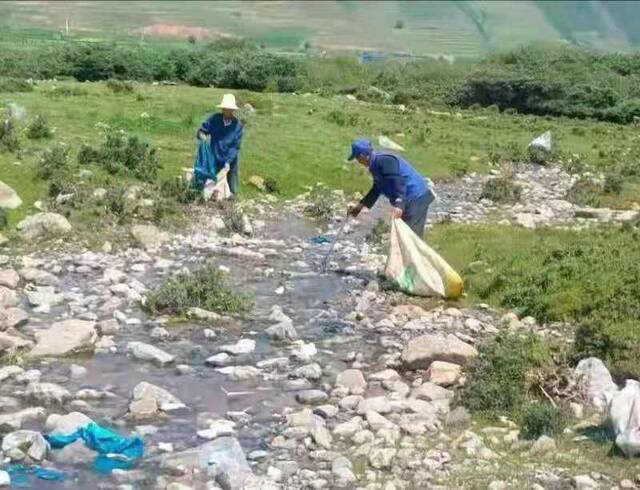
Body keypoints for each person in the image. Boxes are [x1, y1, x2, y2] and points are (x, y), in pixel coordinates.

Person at [346, 139, 435, 239]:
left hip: (416, 197)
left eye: (357, 158)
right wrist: (360, 207)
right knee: (404, 236)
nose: (358, 161)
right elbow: (376, 189)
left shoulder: (385, 161)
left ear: (362, 156)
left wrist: (399, 205)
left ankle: (416, 254)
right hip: (409, 200)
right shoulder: (375, 166)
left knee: (411, 237)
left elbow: (398, 182)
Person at [194, 93, 244, 195]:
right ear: (222, 109)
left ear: (233, 110)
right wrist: (202, 137)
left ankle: (232, 200)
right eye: (225, 109)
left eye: (229, 109)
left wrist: (228, 162)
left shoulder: (237, 126)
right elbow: (201, 131)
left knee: (231, 188)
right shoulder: (215, 119)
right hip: (214, 157)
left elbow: (235, 146)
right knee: (211, 183)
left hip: (229, 161)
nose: (227, 111)